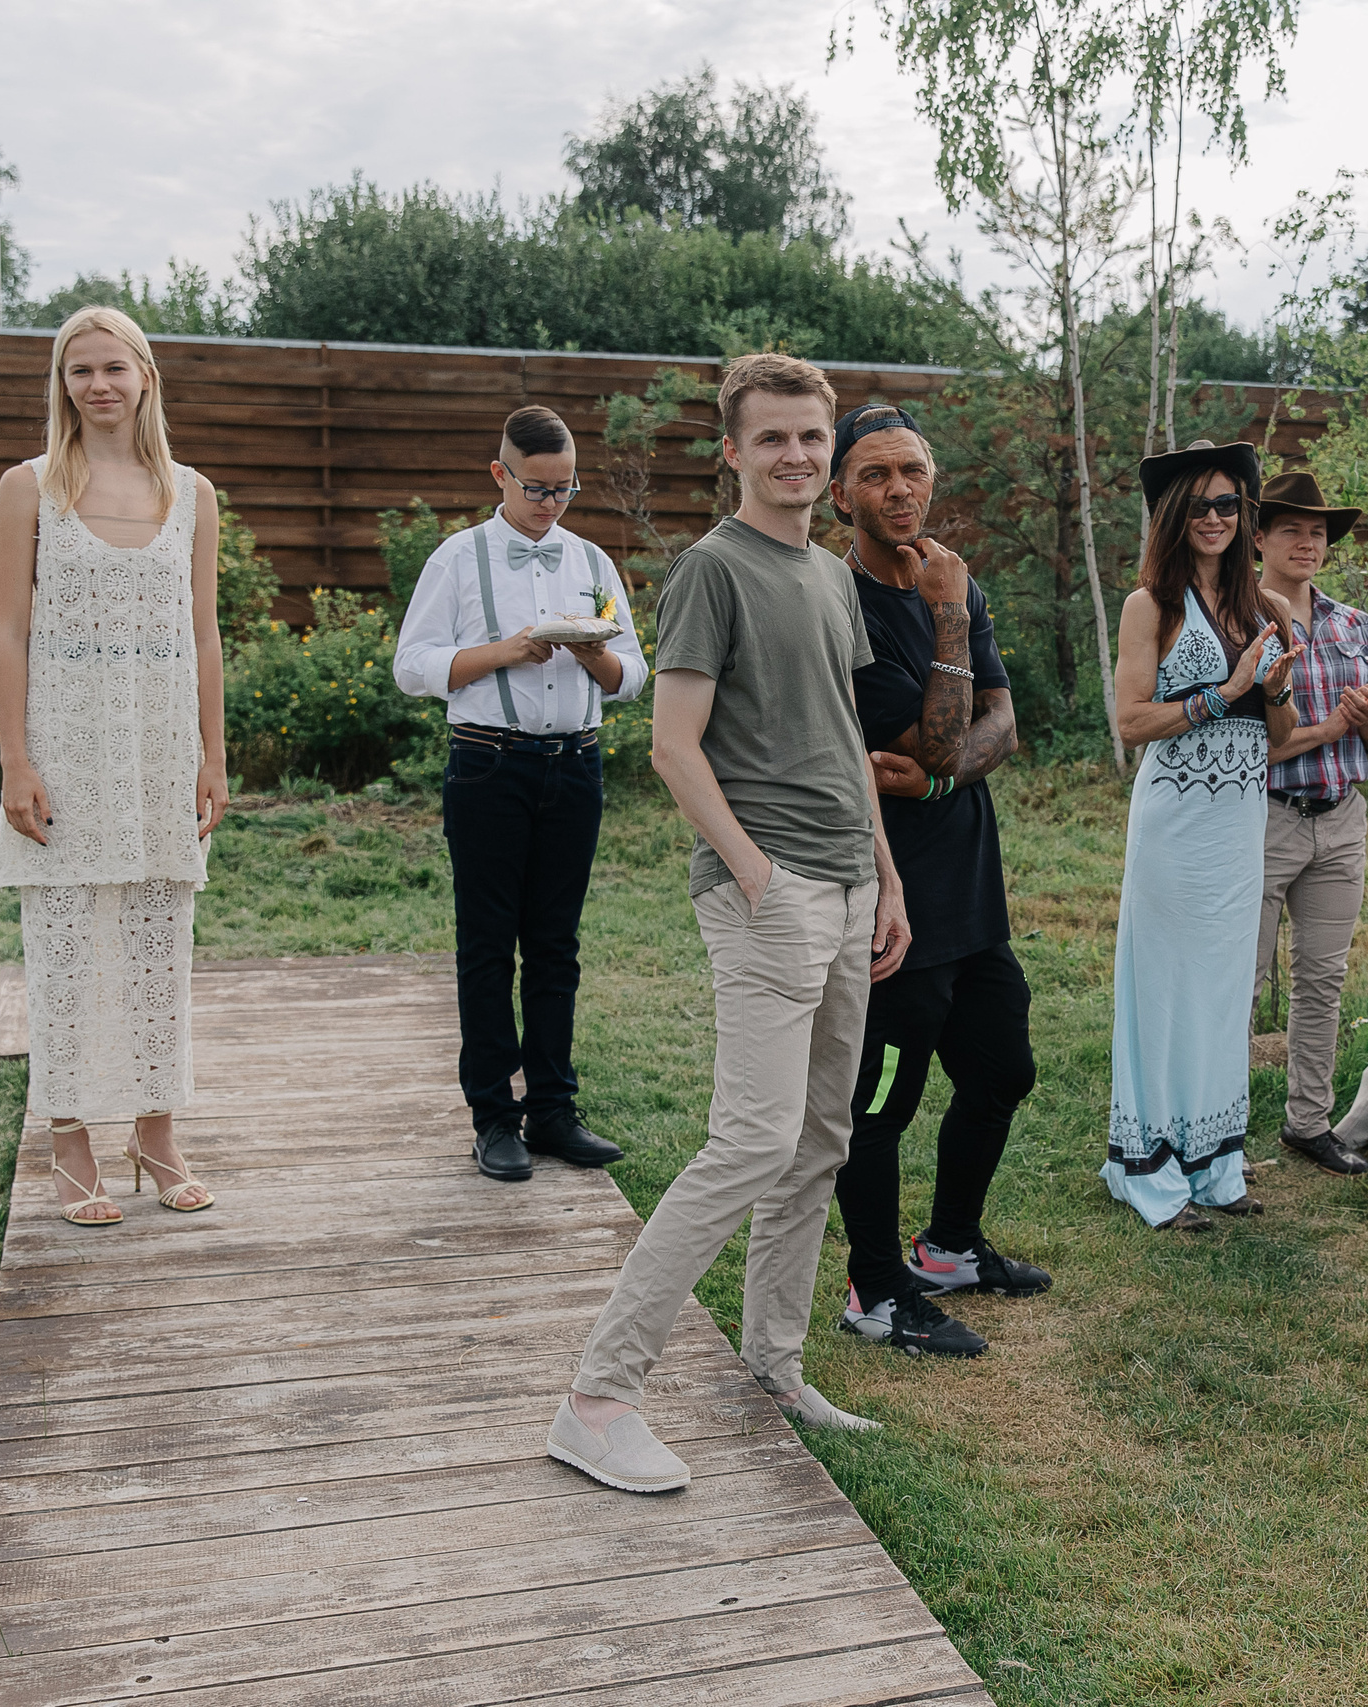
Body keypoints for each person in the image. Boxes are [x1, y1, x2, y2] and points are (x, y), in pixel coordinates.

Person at [548, 354, 913, 1494]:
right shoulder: (712, 570)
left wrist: (885, 878)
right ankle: (598, 1398)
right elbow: (672, 744)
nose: (796, 457)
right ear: (734, 452)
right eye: (773, 441)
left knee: (817, 1142)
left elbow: (845, 736)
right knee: (749, 1142)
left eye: (812, 439)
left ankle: (773, 1366)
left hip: (848, 886)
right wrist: (755, 872)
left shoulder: (828, 574)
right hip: (769, 895)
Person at [0, 306, 227, 1225]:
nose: (97, 385)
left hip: (163, 746)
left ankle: (156, 1133)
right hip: (65, 742)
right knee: (64, 950)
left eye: (113, 369)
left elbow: (204, 632)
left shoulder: (193, 492)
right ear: (62, 383)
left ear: (145, 377)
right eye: (79, 370)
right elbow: (9, 630)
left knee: (159, 947)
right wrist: (17, 757)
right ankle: (72, 1137)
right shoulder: (30, 486)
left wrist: (213, 755)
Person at [822, 403, 1050, 1359]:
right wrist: (949, 617)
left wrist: (949, 770)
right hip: (890, 898)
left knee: (1003, 1069)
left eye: (912, 469)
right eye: (875, 474)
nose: (899, 489)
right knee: (881, 1102)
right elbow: (946, 730)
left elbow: (998, 722)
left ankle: (950, 1246)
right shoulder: (838, 604)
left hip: (970, 887)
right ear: (841, 494)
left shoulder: (956, 574)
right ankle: (875, 1290)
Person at [394, 405, 644, 1183]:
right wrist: (511, 651)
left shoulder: (595, 563)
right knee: (486, 947)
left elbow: (634, 675)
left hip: (577, 764)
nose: (552, 504)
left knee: (556, 946)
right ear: (500, 474)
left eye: (565, 490)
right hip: (488, 766)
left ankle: (554, 1110)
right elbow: (412, 666)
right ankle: (494, 1117)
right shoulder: (457, 559)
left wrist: (590, 654)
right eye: (537, 489)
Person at [1105, 439, 1300, 1230]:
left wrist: (1275, 690)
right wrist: (1224, 692)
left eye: (1228, 504)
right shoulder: (1150, 604)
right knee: (1165, 990)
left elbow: (1280, 734)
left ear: (1244, 514)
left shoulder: (1270, 611)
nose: (1214, 517)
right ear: (1174, 513)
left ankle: (1216, 1161)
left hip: (1237, 825)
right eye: (1199, 503)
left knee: (1223, 992)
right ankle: (1147, 1168)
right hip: (1175, 823)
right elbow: (1131, 720)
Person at [1248, 469, 1368, 1176]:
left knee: (1323, 978)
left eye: (1317, 533)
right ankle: (1219, 1135)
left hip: (1341, 819)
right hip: (1262, 819)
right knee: (1241, 980)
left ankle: (1307, 1123)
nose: (1307, 543)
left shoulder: (1356, 626)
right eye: (1292, 530)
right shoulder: (1238, 622)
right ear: (1259, 538)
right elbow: (1247, 734)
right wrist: (1332, 722)